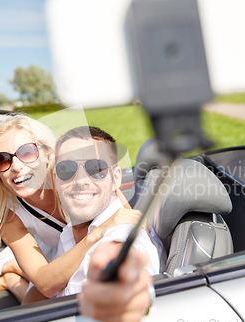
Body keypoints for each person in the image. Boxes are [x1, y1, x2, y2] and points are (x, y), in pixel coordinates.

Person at [0, 114, 142, 314]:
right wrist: (97, 233)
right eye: (2, 160)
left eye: (26, 153)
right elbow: (45, 282)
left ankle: (16, 270)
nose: (16, 167)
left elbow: (131, 220)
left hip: (72, 251)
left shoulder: (73, 172)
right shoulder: (8, 215)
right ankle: (12, 272)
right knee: (30, 314)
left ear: (46, 153)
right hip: (49, 257)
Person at [24, 126, 160, 301]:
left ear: (116, 179)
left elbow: (124, 278)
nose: (81, 181)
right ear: (56, 181)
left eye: (96, 168)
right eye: (67, 169)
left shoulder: (123, 236)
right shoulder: (70, 234)